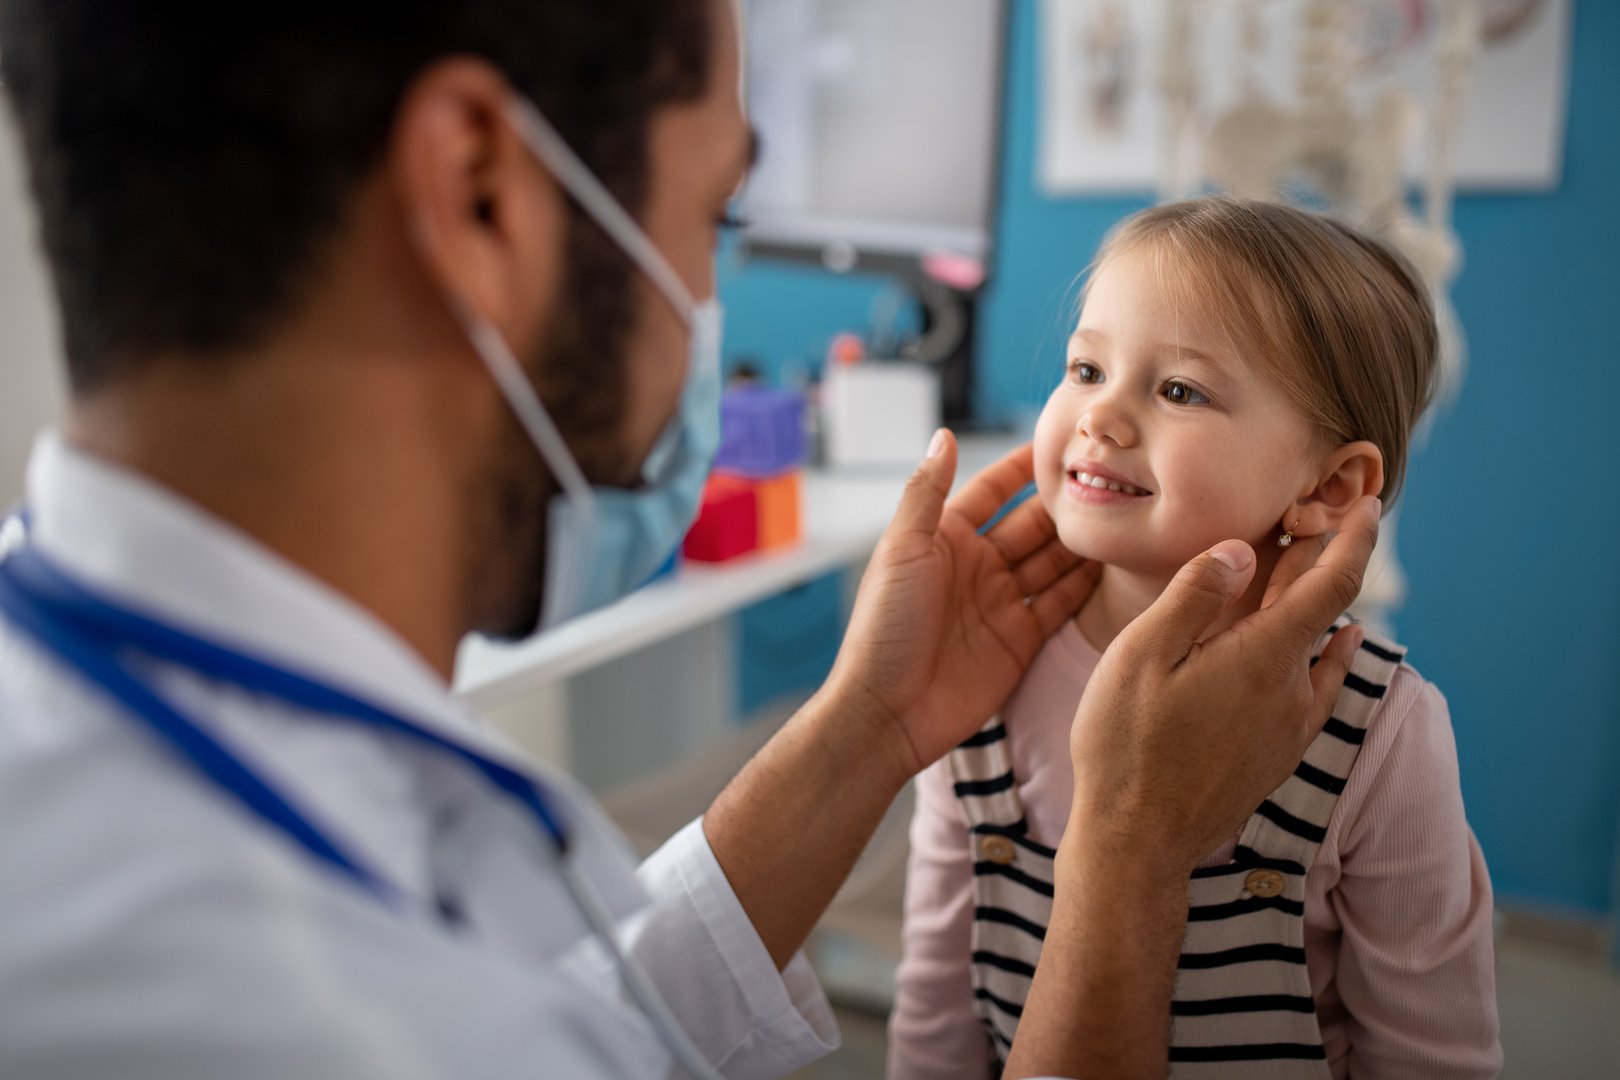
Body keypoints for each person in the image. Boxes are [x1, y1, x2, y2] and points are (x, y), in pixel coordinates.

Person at [0, 3, 1379, 1077]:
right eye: (712, 217)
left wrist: (870, 723)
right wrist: (1131, 856)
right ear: (483, 196)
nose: (709, 302)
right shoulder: (310, 1018)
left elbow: (577, 1031)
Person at [890, 198, 1502, 1079]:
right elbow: (936, 1017)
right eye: (1087, 367)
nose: (1101, 417)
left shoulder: (1379, 732)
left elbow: (1433, 1056)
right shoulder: (984, 670)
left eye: (1178, 389)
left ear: (1330, 486)